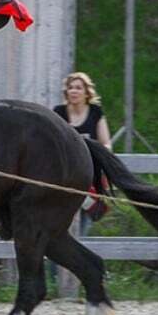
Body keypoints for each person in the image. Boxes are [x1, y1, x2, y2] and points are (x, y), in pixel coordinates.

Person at [52, 71, 112, 236]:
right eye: (70, 88)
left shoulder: (95, 112)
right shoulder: (59, 112)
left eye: (78, 88)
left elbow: (106, 143)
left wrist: (102, 158)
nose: (74, 91)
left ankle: (78, 248)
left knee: (84, 226)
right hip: (65, 176)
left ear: (86, 92)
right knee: (57, 228)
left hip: (89, 175)